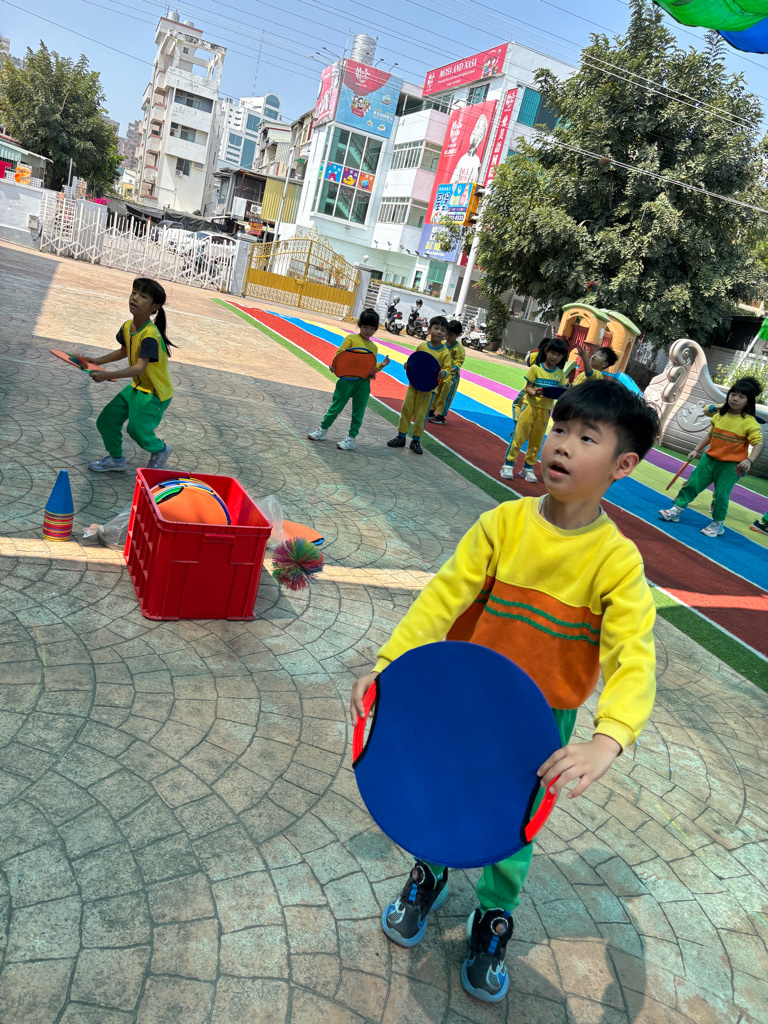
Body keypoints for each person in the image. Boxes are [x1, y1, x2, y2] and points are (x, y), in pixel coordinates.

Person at [351, 379, 660, 1003]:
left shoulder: (616, 561)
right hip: (465, 699)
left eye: (586, 438)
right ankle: (429, 872)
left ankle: (493, 916)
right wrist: (391, 666)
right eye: (559, 429)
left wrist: (610, 737)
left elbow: (634, 654)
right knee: (443, 790)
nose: (562, 445)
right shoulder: (503, 524)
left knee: (512, 823)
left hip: (540, 723)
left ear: (622, 465)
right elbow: (443, 596)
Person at [84, 277, 174, 473]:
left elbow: (139, 368)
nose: (134, 298)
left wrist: (106, 375)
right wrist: (97, 361)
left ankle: (160, 450)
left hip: (155, 393)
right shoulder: (127, 326)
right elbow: (124, 351)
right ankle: (116, 459)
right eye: (134, 293)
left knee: (137, 429)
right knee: (107, 420)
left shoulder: (150, 335)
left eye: (143, 296)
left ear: (154, 307)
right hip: (137, 388)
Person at [659, 377, 763, 537]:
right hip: (709, 459)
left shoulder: (750, 423)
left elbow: (758, 443)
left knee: (721, 496)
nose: (735, 399)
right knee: (692, 485)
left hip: (731, 467)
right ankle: (676, 510)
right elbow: (710, 434)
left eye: (741, 397)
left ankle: (717, 524)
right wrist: (696, 449)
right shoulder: (720, 415)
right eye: (733, 394)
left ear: (748, 402)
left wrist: (749, 460)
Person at [307, 309, 390, 451]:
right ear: (359, 325)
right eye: (365, 327)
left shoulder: (373, 347)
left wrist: (381, 365)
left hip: (363, 383)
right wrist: (334, 367)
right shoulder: (350, 339)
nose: (368, 331)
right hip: (346, 381)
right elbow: (340, 357)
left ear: (375, 329)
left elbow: (370, 370)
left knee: (358, 412)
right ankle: (322, 430)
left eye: (372, 328)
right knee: (335, 407)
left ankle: (351, 439)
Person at [500, 335, 569, 483]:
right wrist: (534, 393)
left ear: (562, 357)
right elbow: (528, 388)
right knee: (519, 436)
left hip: (545, 411)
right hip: (529, 407)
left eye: (559, 355)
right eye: (553, 353)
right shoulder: (535, 369)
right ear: (546, 351)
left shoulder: (560, 374)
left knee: (536, 441)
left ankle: (528, 468)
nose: (555, 357)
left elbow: (562, 391)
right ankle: (508, 464)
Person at [387, 316, 451, 455]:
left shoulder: (444, 353)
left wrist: (443, 373)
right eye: (436, 328)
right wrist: (408, 365)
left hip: (429, 389)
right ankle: (401, 437)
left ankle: (416, 440)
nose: (439, 332)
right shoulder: (422, 346)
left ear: (446, 334)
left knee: (421, 414)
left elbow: (447, 369)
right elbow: (415, 361)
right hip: (414, 385)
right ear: (429, 329)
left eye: (442, 330)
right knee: (406, 409)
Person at [429, 319, 465, 424]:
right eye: (447, 334)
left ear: (458, 335)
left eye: (451, 335)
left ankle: (441, 416)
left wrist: (452, 369)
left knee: (445, 396)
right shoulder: (443, 344)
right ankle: (431, 411)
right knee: (436, 392)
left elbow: (459, 362)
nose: (448, 337)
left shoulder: (459, 349)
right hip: (441, 374)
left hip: (451, 377)